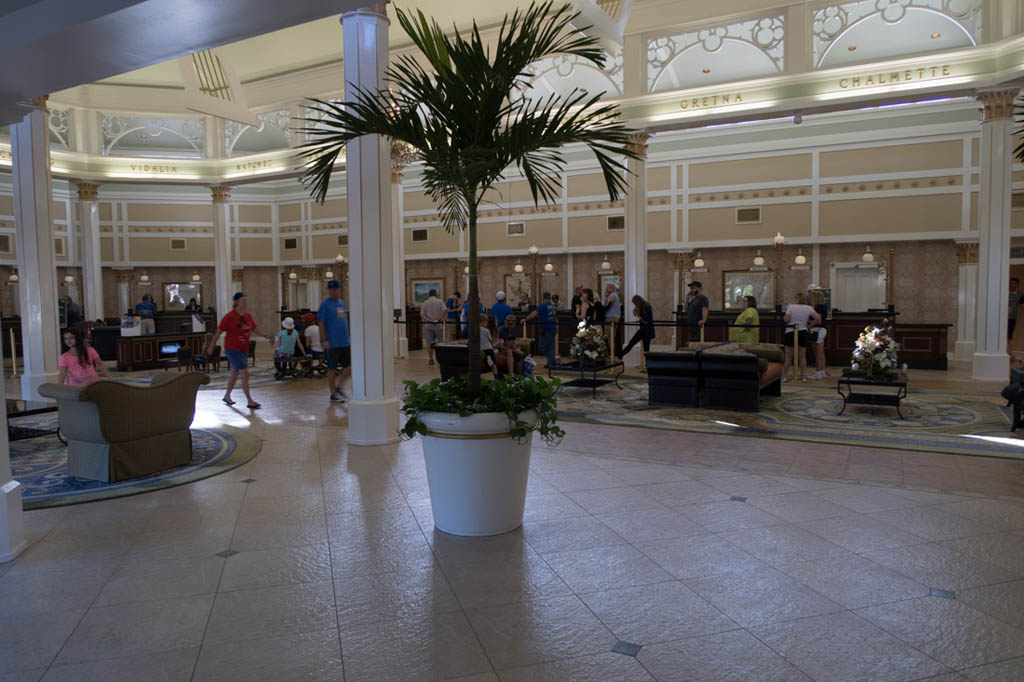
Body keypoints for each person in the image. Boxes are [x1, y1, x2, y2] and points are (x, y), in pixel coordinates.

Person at [207, 291, 272, 408]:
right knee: (244, 372)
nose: (245, 302)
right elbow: (218, 333)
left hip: (243, 349)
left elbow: (254, 328)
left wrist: (264, 335)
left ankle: (227, 396)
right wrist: (212, 346)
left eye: (245, 300)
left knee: (235, 373)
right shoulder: (229, 317)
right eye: (243, 300)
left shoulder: (247, 316)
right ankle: (250, 401)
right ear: (237, 302)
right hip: (233, 348)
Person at [318, 279, 352, 403]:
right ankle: (333, 394)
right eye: (330, 289)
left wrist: (349, 337)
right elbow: (321, 323)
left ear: (338, 289)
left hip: (344, 342)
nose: (332, 291)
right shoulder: (325, 305)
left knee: (349, 368)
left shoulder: (341, 303)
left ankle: (339, 387)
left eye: (335, 289)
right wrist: (324, 339)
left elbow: (344, 321)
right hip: (332, 343)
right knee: (332, 369)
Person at [782, 292, 821, 383]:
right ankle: (803, 376)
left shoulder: (791, 307)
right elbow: (818, 318)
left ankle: (784, 376)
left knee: (788, 356)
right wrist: (810, 325)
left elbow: (786, 319)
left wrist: (786, 317)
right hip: (803, 331)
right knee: (802, 356)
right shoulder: (808, 308)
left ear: (796, 298)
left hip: (790, 331)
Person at [527, 291, 558, 367]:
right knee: (551, 347)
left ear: (543, 298)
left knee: (542, 346)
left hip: (546, 329)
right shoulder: (553, 306)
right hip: (553, 328)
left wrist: (526, 319)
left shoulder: (542, 306)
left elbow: (535, 313)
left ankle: (552, 359)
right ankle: (550, 363)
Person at [621, 295, 655, 361]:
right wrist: (636, 312)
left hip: (646, 330)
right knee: (644, 348)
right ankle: (620, 356)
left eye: (635, 303)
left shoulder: (646, 307)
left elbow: (645, 321)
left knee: (644, 348)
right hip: (645, 330)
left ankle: (620, 356)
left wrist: (638, 315)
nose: (634, 305)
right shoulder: (644, 306)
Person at [420, 289, 446, 365]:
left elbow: (422, 314)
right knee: (440, 342)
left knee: (429, 343)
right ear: (436, 294)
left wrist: (429, 320)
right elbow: (445, 310)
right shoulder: (440, 301)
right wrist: (438, 319)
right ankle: (440, 359)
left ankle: (431, 359)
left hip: (428, 325)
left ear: (429, 294)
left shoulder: (425, 302)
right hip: (438, 325)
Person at [809, 289, 829, 380]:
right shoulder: (824, 306)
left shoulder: (817, 307)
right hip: (823, 329)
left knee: (817, 352)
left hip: (817, 329)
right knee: (821, 352)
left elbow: (818, 320)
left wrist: (808, 324)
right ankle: (822, 371)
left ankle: (818, 372)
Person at [1011, 278, 1023, 344]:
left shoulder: (1020, 295)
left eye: (1014, 283)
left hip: (1012, 318)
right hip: (1001, 318)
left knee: (1009, 336)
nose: (1012, 285)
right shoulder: (1003, 293)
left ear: (1017, 285)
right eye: (1010, 283)